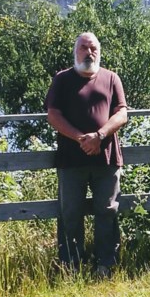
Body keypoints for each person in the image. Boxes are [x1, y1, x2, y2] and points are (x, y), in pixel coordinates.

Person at [45, 32, 128, 277]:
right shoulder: (62, 79)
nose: (89, 52)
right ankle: (71, 266)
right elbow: (53, 115)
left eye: (93, 48)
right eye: (83, 48)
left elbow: (121, 113)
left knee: (107, 210)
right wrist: (82, 138)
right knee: (70, 212)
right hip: (71, 160)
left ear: (99, 51)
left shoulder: (111, 78)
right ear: (76, 51)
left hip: (106, 158)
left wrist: (100, 135)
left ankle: (106, 265)